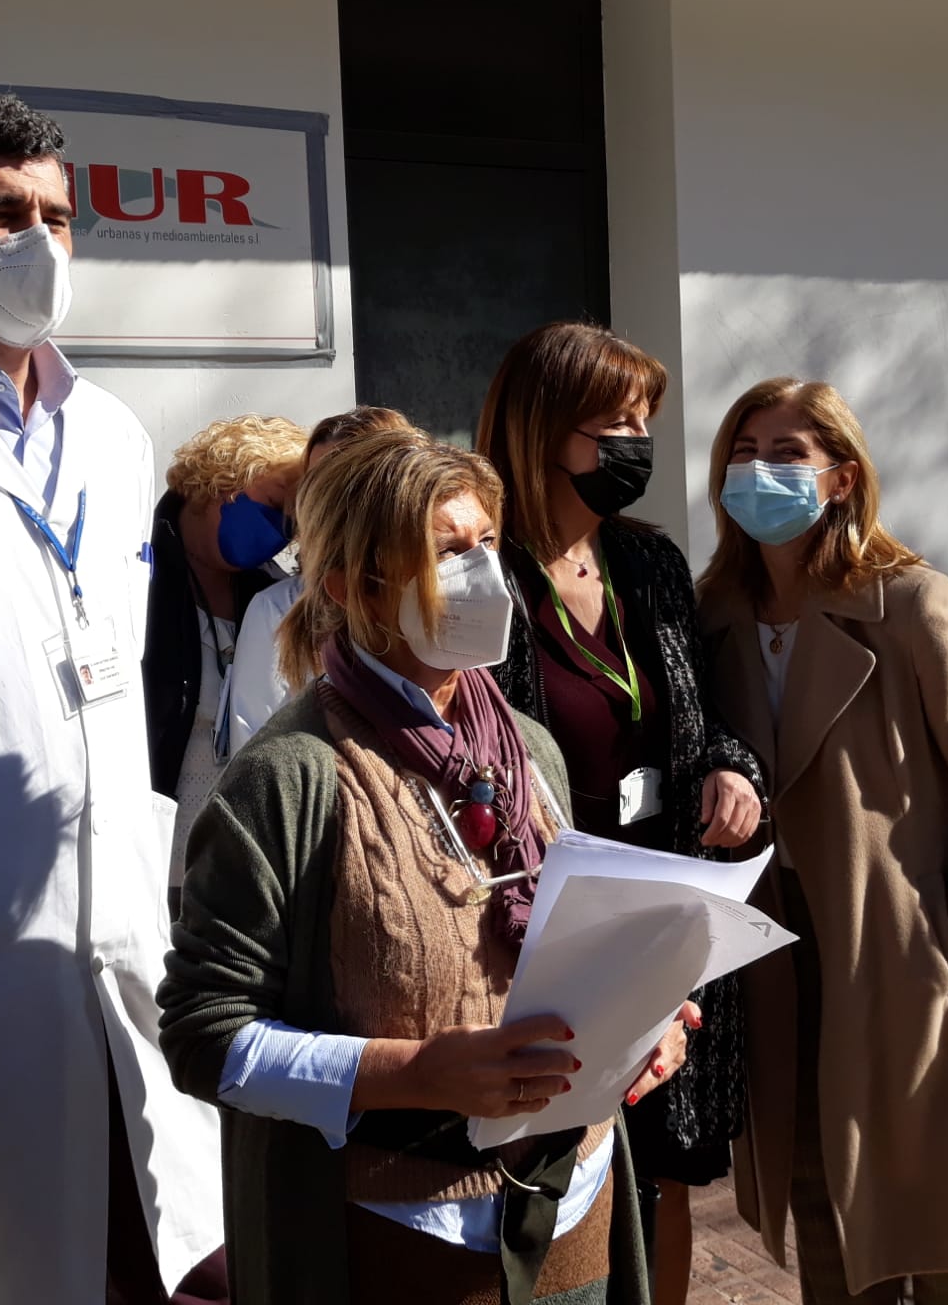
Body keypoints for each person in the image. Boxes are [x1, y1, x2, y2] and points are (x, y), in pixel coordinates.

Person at [159, 430, 702, 1305]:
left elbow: (567, 951)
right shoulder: (288, 775)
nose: (483, 572)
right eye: (447, 552)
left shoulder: (528, 750)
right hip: (395, 1245)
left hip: (574, 1215)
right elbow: (203, 1037)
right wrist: (411, 1073)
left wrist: (645, 1016)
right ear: (347, 584)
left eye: (487, 541)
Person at [0, 94, 224, 1305]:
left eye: (56, 218)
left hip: (123, 917)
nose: (37, 244)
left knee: (162, 1247)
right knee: (8, 1257)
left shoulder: (113, 435)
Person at [695, 377, 948, 1305]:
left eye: (787, 454)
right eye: (743, 451)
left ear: (843, 478)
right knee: (834, 1242)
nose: (758, 471)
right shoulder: (712, 618)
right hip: (786, 984)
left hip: (919, 978)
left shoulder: (905, 603)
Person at [477, 320, 764, 1305]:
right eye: (613, 422)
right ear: (543, 425)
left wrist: (731, 772)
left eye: (644, 419)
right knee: (553, 1158)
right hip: (539, 922)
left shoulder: (645, 565)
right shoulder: (481, 573)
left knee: (664, 1158)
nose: (636, 441)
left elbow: (702, 719)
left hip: (659, 904)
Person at [142, 413, 309, 888]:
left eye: (291, 524)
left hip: (243, 866)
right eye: (275, 504)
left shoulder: (273, 598)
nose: (279, 530)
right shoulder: (140, 570)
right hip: (156, 862)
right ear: (227, 478)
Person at [223, 404, 413, 753]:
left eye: (341, 481)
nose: (320, 500)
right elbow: (254, 756)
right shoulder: (277, 610)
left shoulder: (440, 596)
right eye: (314, 483)